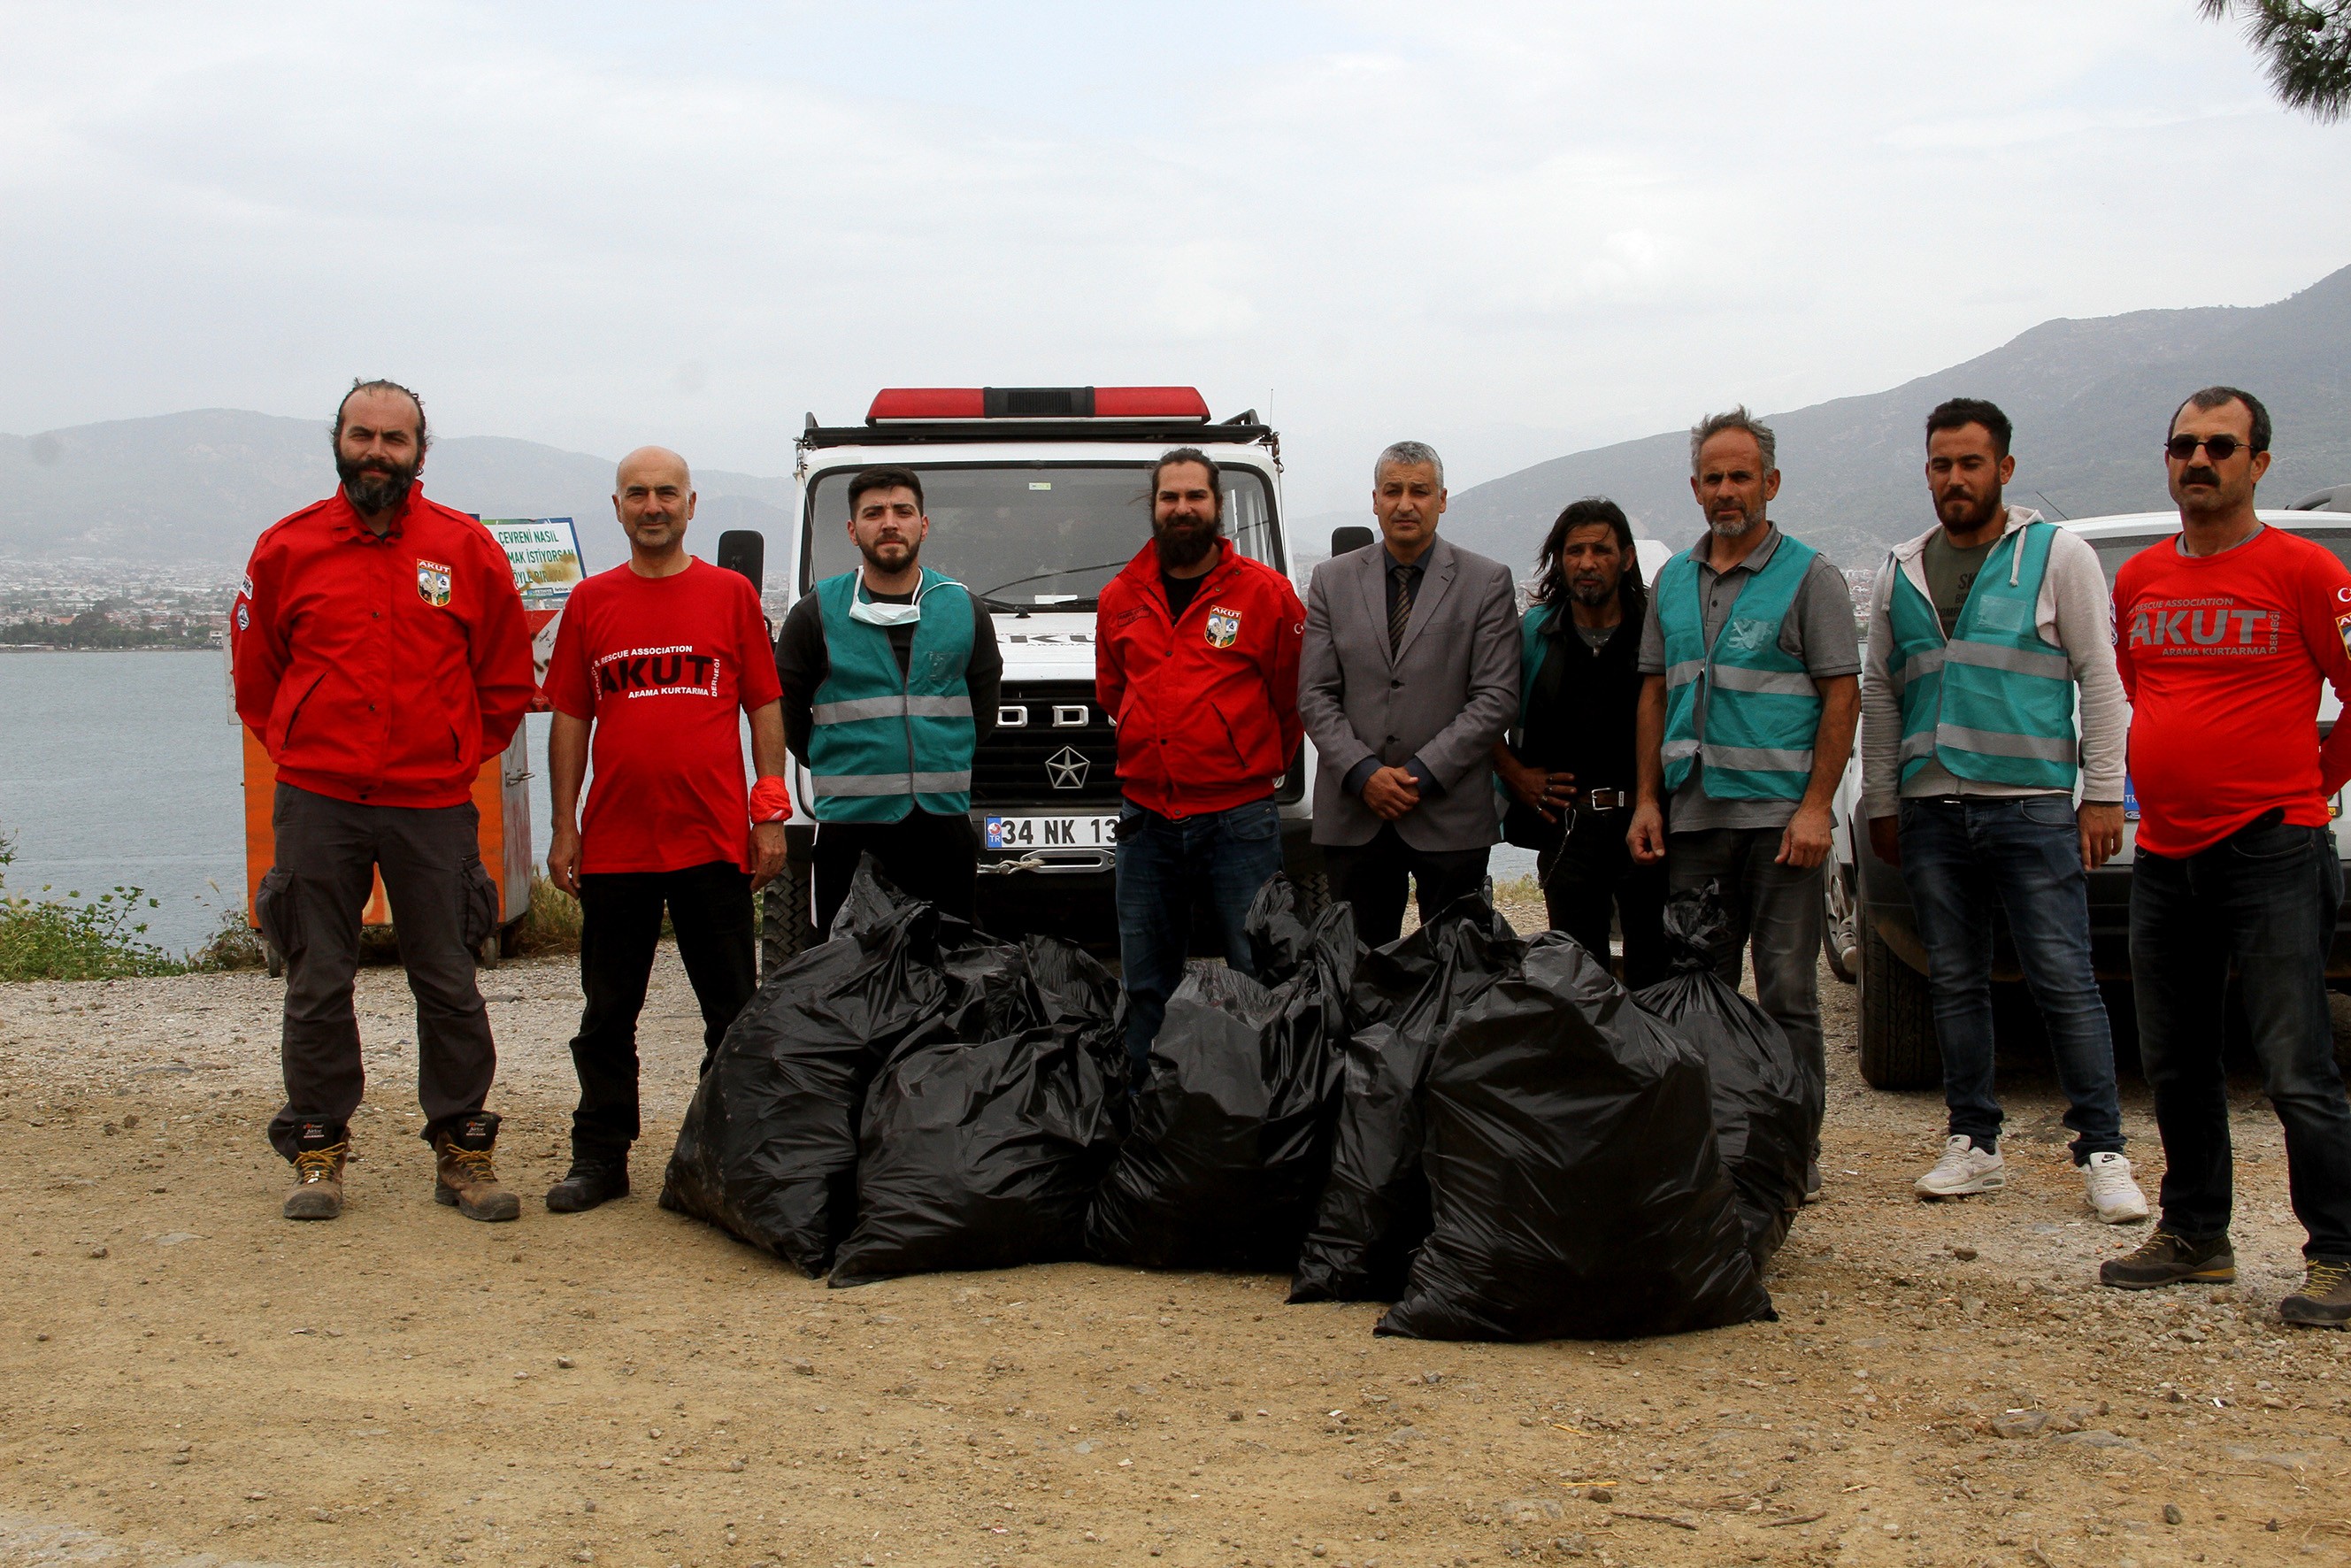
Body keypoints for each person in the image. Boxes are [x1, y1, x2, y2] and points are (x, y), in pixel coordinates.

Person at [232, 379, 534, 1223]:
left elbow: (505, 678)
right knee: (317, 978)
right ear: (338, 443)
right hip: (319, 800)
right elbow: (258, 680)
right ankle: (319, 1148)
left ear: (419, 454)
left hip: (431, 802)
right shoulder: (285, 549)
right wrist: (302, 751)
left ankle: (463, 1154)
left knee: (448, 980)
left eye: (393, 440)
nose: (377, 451)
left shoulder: (465, 549)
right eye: (362, 435)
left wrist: (446, 753)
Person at [2099, 386, 2351, 1326]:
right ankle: (2195, 1234)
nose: (2196, 460)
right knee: (2173, 1058)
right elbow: (2138, 690)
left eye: (2218, 445)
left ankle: (2336, 1251)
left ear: (2257, 463)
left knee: (2294, 1065)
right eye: (2181, 445)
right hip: (2163, 853)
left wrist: (2308, 783)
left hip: (2272, 847)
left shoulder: (2303, 569)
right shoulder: (2138, 582)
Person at [1860, 398, 2145, 1221]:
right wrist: (1883, 798)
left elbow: (2099, 675)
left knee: (2062, 978)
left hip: (2029, 807)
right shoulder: (1898, 569)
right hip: (1930, 811)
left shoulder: (2058, 556)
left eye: (1971, 463)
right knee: (1953, 979)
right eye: (1941, 465)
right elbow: (1882, 691)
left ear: (2003, 470)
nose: (1955, 479)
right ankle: (1972, 1142)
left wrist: (2100, 792)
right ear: (1927, 474)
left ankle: (2102, 1151)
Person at [539, 447, 791, 1213]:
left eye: (666, 493)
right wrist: (561, 827)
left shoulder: (730, 596)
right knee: (607, 1012)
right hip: (615, 843)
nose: (653, 505)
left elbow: (764, 707)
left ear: (691, 505)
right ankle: (601, 1156)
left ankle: (727, 1154)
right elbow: (570, 721)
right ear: (616, 507)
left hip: (711, 840)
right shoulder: (588, 602)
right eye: (637, 494)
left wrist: (769, 812)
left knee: (731, 1010)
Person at [1629, 407, 1858, 1195]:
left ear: (1770, 482)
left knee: (1789, 993)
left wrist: (1817, 807)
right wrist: (1647, 801)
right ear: (1695, 488)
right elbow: (1654, 696)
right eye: (1713, 478)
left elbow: (1841, 696)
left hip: (1777, 821)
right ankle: (1718, 1142)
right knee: (1703, 989)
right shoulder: (1675, 582)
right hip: (1695, 819)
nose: (1727, 491)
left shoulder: (1810, 575)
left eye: (1740, 476)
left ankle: (1796, 1151)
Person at [1097, 446, 1306, 1072]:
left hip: (1238, 823)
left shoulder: (1266, 594)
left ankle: (1268, 1111)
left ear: (1217, 507)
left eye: (1195, 497)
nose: (1181, 508)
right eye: (1170, 497)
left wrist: (1241, 763)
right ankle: (1147, 1117)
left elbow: (1290, 702)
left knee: (1259, 975)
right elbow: (1113, 692)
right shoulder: (1120, 596)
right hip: (1146, 824)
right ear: (1152, 507)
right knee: (1145, 984)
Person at [1301, 442, 1519, 948]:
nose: (1405, 504)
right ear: (1374, 501)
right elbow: (1315, 693)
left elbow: (1496, 697)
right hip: (1356, 813)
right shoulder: (1331, 581)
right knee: (1359, 973)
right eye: (1393, 491)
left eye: (1419, 491)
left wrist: (1417, 776)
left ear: (1442, 500)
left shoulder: (1485, 581)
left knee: (1453, 973)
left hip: (1449, 813)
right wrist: (1364, 773)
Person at [774, 464, 1001, 936]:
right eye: (874, 513)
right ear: (853, 531)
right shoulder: (815, 613)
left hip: (943, 827)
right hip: (850, 834)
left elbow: (982, 709)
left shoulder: (965, 608)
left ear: (924, 524)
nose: (890, 523)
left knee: (951, 964)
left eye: (903, 510)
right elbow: (788, 717)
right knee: (851, 971)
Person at [1491, 496, 1665, 986]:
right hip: (1566, 829)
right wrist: (1515, 774)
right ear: (1559, 560)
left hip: (1647, 824)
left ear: (1626, 558)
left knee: (1654, 965)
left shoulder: (1656, 629)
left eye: (1601, 550)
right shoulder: (1534, 634)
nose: (1587, 563)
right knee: (1577, 975)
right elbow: (1479, 710)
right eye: (1574, 551)